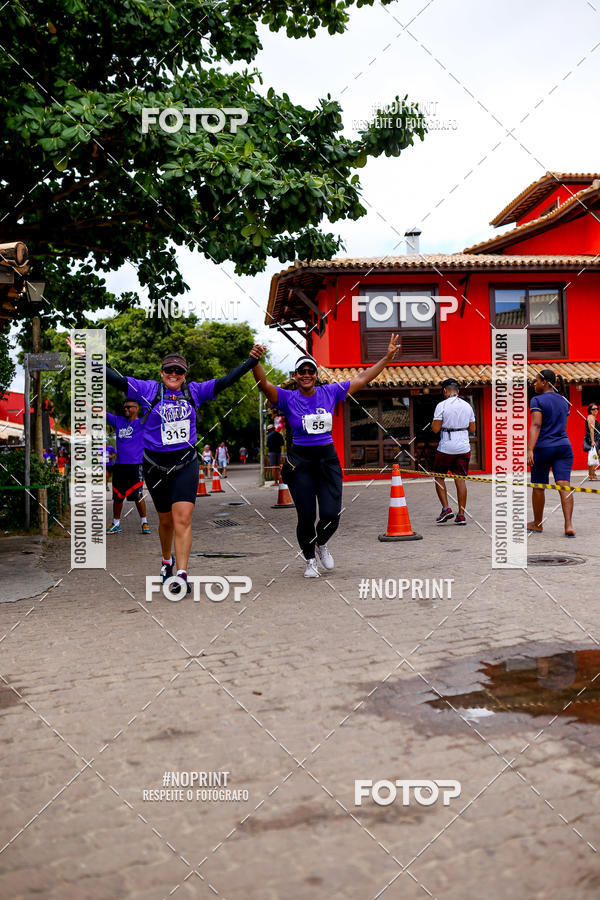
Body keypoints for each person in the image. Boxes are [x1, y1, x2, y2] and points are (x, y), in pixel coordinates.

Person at [67, 336, 265, 593]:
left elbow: (227, 380)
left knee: (182, 519)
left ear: (185, 375)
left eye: (179, 371)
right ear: (161, 373)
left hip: (185, 464)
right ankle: (165, 561)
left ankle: (181, 574)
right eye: (169, 370)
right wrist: (84, 357)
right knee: (166, 521)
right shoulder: (147, 389)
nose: (174, 374)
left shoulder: (194, 391)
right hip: (155, 467)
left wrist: (251, 361)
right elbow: (115, 379)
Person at [252, 336, 401, 578]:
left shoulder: (329, 392)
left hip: (327, 460)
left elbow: (363, 378)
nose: (306, 375)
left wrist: (386, 358)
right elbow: (264, 385)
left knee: (331, 514)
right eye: (302, 371)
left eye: (310, 371)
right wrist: (254, 361)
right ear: (296, 375)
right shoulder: (288, 398)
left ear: (316, 375)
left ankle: (321, 543)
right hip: (300, 462)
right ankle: (310, 560)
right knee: (306, 515)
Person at [527, 368, 575, 537]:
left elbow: (536, 425)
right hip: (564, 447)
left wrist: (530, 449)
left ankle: (537, 524)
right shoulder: (563, 400)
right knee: (564, 485)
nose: (534, 384)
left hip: (543, 448)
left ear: (545, 382)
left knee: (539, 486)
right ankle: (568, 525)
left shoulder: (537, 400)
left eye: (536, 380)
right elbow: (564, 425)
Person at [431, 378, 476, 525]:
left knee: (439, 477)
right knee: (460, 479)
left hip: (446, 446)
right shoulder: (467, 406)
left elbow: (435, 429)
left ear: (445, 391)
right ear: (458, 390)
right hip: (464, 446)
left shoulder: (441, 405)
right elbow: (473, 429)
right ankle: (461, 515)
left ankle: (446, 509)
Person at [106, 398, 151, 534]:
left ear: (136, 408)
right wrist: (86, 403)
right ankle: (116, 524)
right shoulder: (118, 421)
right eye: (124, 407)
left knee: (138, 496)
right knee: (118, 496)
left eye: (129, 407)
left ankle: (144, 523)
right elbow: (101, 413)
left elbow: (151, 408)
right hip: (120, 466)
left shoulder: (142, 422)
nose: (125, 409)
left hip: (135, 465)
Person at [584, 402, 600, 481]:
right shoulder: (591, 417)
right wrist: (593, 441)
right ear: (590, 410)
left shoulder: (593, 417)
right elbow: (591, 430)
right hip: (592, 440)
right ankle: (591, 475)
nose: (596, 410)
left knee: (595, 456)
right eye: (593, 409)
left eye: (597, 408)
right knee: (593, 456)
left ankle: (592, 473)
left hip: (595, 439)